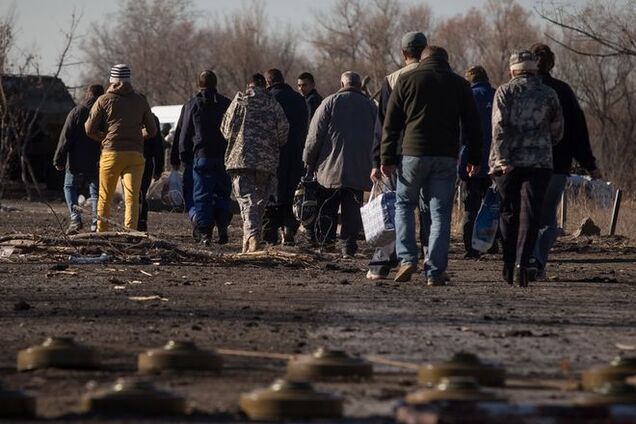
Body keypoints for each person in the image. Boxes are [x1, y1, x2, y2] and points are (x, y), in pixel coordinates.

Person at [381, 46, 483, 285]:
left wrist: (386, 157)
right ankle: (435, 270)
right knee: (439, 212)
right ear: (446, 60)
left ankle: (407, 259)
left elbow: (391, 123)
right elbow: (473, 125)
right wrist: (475, 159)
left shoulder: (406, 79)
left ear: (422, 59)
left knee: (405, 205)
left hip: (412, 155)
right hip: (446, 156)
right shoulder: (459, 84)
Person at [490, 50, 564, 287]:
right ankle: (524, 264)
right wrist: (542, 144)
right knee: (531, 214)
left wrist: (501, 159)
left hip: (508, 162)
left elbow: (498, 127)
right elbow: (557, 130)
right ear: (534, 69)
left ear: (512, 70)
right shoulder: (549, 94)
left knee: (508, 212)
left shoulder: (505, 91)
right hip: (539, 161)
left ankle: (508, 264)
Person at [529, 43, 602, 279]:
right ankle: (538, 260)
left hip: (524, 164)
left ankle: (526, 259)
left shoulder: (518, 90)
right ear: (551, 63)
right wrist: (589, 164)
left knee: (526, 213)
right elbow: (577, 132)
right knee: (548, 217)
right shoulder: (562, 91)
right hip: (557, 164)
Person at [367, 31, 427, 280]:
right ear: (425, 50)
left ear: (403, 54)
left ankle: (382, 264)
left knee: (393, 208)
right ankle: (431, 262)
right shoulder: (439, 77)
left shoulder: (392, 80)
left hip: (398, 155)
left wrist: (378, 160)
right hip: (432, 153)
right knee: (429, 209)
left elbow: (383, 126)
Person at [304, 71, 377, 258]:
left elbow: (315, 136)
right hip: (359, 168)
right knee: (352, 207)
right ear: (360, 85)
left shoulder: (329, 102)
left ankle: (327, 243)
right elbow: (380, 136)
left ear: (342, 83)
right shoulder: (370, 107)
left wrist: (308, 160)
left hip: (329, 168)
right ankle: (348, 246)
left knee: (327, 205)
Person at [85, 64, 157, 232]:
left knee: (105, 197)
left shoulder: (103, 100)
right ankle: (130, 233)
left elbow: (89, 129)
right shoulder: (141, 100)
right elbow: (152, 130)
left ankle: (102, 232)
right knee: (132, 197)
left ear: (112, 80)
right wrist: (138, 136)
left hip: (111, 153)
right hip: (135, 155)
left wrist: (103, 137)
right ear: (128, 79)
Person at [222, 73, 289, 253]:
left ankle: (251, 237)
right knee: (259, 202)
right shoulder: (273, 104)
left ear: (249, 85)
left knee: (247, 200)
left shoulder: (240, 100)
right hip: (266, 161)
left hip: (241, 158)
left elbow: (226, 129)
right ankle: (251, 240)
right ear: (264, 85)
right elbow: (283, 133)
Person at [179, 70, 232, 246]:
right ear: (216, 84)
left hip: (202, 156)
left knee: (202, 195)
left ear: (199, 84)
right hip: (224, 156)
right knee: (223, 193)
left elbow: (185, 132)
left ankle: (205, 232)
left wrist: (184, 156)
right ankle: (223, 225)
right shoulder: (226, 104)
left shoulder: (193, 104)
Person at [263, 69, 309, 246]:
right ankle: (289, 228)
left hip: (273, 153)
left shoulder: (269, 99)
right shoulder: (299, 99)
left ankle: (270, 233)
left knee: (273, 193)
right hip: (296, 152)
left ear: (268, 82)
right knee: (292, 193)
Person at [53, 84, 105, 234]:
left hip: (75, 161)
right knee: (95, 192)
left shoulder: (76, 111)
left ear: (87, 94)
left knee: (69, 187)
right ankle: (96, 223)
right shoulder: (104, 114)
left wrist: (59, 160)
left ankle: (75, 220)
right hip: (96, 160)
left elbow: (65, 138)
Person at [458, 65, 497, 258]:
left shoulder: (467, 97)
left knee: (471, 206)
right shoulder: (497, 95)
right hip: (496, 162)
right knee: (495, 204)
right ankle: (493, 242)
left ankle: (472, 248)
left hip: (472, 161)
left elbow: (462, 132)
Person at [137, 113, 165, 232]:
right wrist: (159, 167)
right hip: (147, 160)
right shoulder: (153, 119)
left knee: (133, 193)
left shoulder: (129, 114)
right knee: (143, 192)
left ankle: (133, 220)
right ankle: (142, 221)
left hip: (132, 159)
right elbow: (158, 145)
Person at [169, 105, 196, 222]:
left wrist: (176, 158)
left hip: (193, 158)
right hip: (218, 158)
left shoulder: (191, 106)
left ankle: (196, 217)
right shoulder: (224, 103)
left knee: (191, 192)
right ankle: (221, 220)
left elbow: (181, 133)